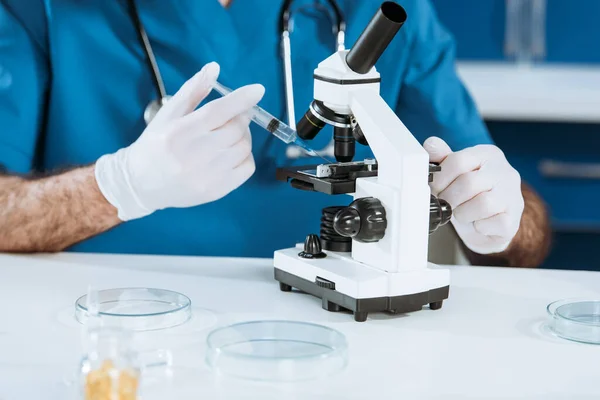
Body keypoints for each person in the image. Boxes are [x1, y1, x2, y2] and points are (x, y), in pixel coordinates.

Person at [0, 0, 550, 267]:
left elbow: (519, 220)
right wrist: (119, 187)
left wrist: (500, 218)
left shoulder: (375, 13)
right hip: (111, 330)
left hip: (329, 338)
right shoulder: (42, 9)